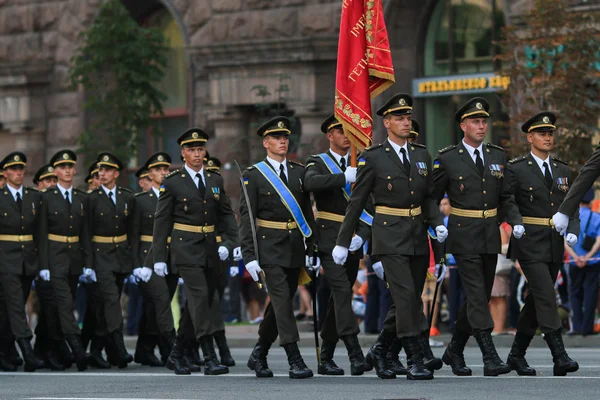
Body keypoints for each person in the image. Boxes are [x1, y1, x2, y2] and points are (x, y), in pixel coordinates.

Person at [334, 93, 447, 381]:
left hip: (417, 235)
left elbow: (429, 197)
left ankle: (381, 350)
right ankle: (416, 355)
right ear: (387, 123)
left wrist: (437, 223)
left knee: (406, 300)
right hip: (389, 235)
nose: (406, 122)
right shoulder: (373, 157)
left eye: (408, 117)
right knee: (407, 296)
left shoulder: (421, 154)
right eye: (399, 118)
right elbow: (357, 202)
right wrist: (342, 241)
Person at [432, 97, 523, 377]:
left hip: (489, 235)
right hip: (462, 234)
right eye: (475, 121)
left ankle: (454, 350)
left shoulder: (497, 155)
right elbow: (431, 198)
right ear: (463, 125)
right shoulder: (447, 158)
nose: (481, 126)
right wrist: (437, 225)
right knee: (474, 292)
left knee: (479, 298)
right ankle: (489, 355)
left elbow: (506, 196)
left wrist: (516, 221)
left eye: (484, 121)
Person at [152, 128, 237, 376]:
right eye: (192, 150)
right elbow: (161, 222)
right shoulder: (173, 182)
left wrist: (230, 243)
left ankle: (176, 354)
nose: (197, 154)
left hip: (210, 247)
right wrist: (159, 257)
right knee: (199, 298)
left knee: (198, 303)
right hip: (185, 248)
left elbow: (225, 215)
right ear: (183, 153)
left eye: (200, 149)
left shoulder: (214, 180)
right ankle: (209, 357)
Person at [240, 116, 318, 379]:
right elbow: (247, 219)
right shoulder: (253, 175)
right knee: (283, 302)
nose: (282, 141)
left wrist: (312, 246)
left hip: (295, 246)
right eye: (276, 137)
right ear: (266, 143)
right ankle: (294, 357)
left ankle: (259, 353)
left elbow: (306, 212)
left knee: (278, 306)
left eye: (285, 137)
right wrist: (249, 256)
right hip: (269, 247)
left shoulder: (298, 172)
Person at [506, 111, 580, 376]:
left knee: (537, 300)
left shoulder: (562, 168)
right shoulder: (516, 168)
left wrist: (573, 229)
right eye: (542, 133)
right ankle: (559, 355)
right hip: (528, 239)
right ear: (530, 137)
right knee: (547, 295)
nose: (547, 138)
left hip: (554, 242)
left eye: (550, 133)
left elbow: (572, 204)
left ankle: (516, 355)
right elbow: (508, 199)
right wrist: (514, 221)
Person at [303, 114, 371, 376]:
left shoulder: (362, 162)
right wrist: (343, 177)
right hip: (330, 239)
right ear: (329, 135)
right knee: (342, 292)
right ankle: (355, 353)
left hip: (353, 238)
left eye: (348, 131)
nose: (346, 135)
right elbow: (310, 183)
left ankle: (327, 356)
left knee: (337, 301)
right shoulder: (318, 162)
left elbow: (371, 205)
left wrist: (362, 234)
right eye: (340, 131)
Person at [36, 150, 90, 372]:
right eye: (62, 167)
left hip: (74, 259)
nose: (67, 170)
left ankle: (52, 352)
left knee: (61, 307)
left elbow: (85, 233)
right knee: (65, 306)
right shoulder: (46, 198)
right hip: (55, 258)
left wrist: (87, 262)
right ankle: (77, 350)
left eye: (70, 166)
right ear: (55, 171)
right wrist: (44, 265)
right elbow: (41, 234)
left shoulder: (80, 198)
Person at [84, 152, 135, 368]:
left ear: (116, 173)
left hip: (120, 256)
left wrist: (134, 261)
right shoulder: (91, 199)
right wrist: (88, 264)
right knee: (112, 303)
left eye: (106, 170)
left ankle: (98, 351)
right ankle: (119, 347)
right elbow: (86, 233)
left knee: (105, 306)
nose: (102, 174)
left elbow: (132, 230)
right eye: (99, 170)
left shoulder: (127, 197)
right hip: (101, 256)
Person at [0, 152, 45, 372]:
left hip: (28, 259)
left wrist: (41, 262)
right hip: (5, 259)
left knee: (7, 309)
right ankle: (28, 351)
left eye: (21, 169)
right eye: (14, 169)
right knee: (17, 306)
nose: (18, 173)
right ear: (5, 173)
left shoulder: (33, 197)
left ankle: (5, 352)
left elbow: (40, 232)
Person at [130, 155, 172, 367]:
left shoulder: (174, 196)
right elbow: (134, 235)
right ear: (150, 174)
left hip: (170, 257)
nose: (164, 172)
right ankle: (171, 352)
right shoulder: (141, 200)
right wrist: (137, 265)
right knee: (161, 302)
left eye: (166, 168)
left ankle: (144, 350)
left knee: (152, 308)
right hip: (148, 258)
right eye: (158, 169)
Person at [565, 189, 600, 336]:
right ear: (591, 201)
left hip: (574, 262)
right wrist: (588, 256)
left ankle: (577, 327)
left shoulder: (571, 218)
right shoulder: (597, 217)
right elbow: (599, 240)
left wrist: (575, 257)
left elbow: (565, 240)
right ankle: (588, 328)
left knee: (575, 293)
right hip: (593, 261)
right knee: (591, 293)